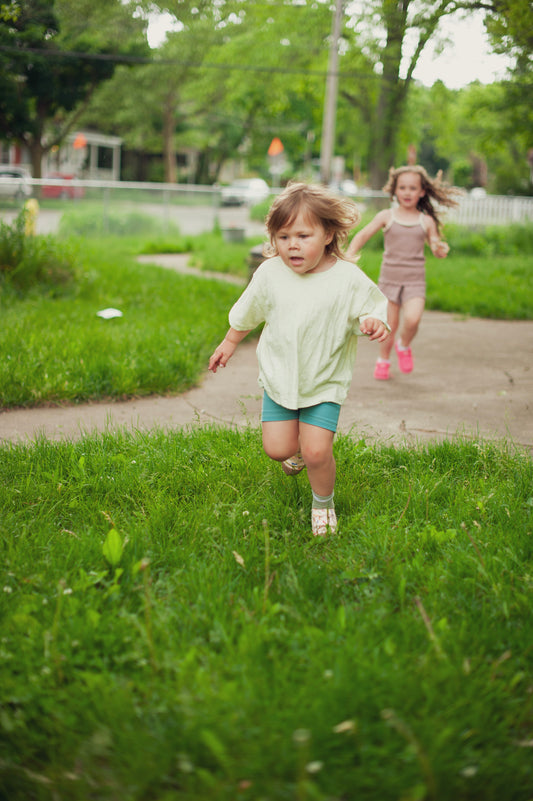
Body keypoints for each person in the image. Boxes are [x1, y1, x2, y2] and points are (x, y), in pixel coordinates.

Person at [208, 182, 389, 537]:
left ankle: (322, 503)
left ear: (327, 234)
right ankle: (299, 453)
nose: (293, 244)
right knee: (279, 450)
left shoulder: (347, 278)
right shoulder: (270, 273)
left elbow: (373, 304)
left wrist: (373, 321)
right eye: (283, 236)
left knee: (318, 452)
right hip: (280, 378)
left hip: (324, 381)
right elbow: (248, 311)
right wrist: (229, 342)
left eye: (303, 235)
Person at [345, 165, 460, 380]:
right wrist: (349, 257)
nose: (407, 192)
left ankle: (404, 345)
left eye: (413, 188)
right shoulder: (386, 216)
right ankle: (383, 359)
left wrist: (439, 249)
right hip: (389, 279)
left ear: (422, 192)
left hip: (415, 281)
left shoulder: (426, 221)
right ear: (395, 191)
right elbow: (362, 235)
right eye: (403, 187)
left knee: (413, 320)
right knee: (389, 324)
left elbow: (435, 244)